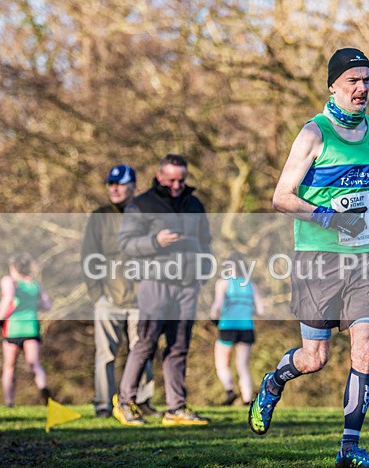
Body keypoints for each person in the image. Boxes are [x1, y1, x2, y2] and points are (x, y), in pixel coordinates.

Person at [247, 48, 369, 468]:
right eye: (352, 80)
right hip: (317, 259)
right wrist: (330, 218)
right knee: (314, 359)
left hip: (363, 257)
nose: (361, 88)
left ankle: (349, 447)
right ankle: (274, 382)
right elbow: (281, 197)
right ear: (333, 85)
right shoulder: (313, 134)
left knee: (366, 345)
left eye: (366, 80)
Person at [113, 153, 213, 427]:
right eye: (171, 180)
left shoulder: (194, 204)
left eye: (181, 180)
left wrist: (204, 269)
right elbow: (125, 244)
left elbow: (206, 240)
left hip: (188, 285)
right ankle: (125, 403)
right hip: (155, 282)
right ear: (159, 176)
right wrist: (155, 242)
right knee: (146, 343)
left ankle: (176, 408)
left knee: (179, 346)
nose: (177, 185)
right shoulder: (142, 204)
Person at [81, 164, 158, 419]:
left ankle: (142, 401)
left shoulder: (146, 214)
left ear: (134, 186)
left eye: (120, 184)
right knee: (105, 355)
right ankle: (104, 405)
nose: (114, 188)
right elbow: (89, 256)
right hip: (109, 298)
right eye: (110, 184)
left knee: (143, 351)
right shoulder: (99, 217)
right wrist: (97, 296)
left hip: (141, 299)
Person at [0, 252, 52, 407]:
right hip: (31, 328)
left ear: (13, 267)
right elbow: (47, 305)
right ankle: (43, 387)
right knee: (35, 364)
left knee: (9, 366)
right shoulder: (35, 284)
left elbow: (8, 298)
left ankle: (9, 402)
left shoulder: (10, 281)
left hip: (13, 328)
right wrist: (32, 305)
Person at [209, 252, 265, 406]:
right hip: (246, 328)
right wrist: (247, 310)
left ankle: (230, 391)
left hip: (228, 327)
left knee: (221, 364)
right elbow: (261, 310)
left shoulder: (223, 283)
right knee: (243, 366)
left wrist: (214, 318)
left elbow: (217, 305)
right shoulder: (250, 284)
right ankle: (247, 400)